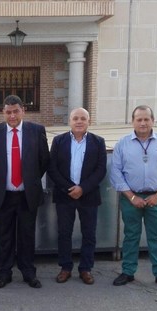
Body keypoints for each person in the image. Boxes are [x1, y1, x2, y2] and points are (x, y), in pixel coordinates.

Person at [109, 105, 157, 290]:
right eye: (139, 119)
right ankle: (128, 272)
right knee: (131, 235)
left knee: (156, 236)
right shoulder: (122, 144)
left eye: (146, 119)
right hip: (130, 198)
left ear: (153, 121)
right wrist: (132, 197)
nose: (142, 123)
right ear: (133, 121)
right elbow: (116, 173)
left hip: (156, 198)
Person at [0, 95, 50, 289]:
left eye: (15, 111)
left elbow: (44, 160)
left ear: (23, 111)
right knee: (3, 236)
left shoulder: (36, 131)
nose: (12, 116)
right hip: (3, 195)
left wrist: (29, 179)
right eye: (8, 112)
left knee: (27, 235)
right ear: (3, 113)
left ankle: (28, 272)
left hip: (26, 195)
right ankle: (5, 273)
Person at [47, 108, 107, 285]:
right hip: (65, 195)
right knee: (64, 233)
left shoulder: (98, 142)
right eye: (75, 118)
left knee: (89, 233)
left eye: (83, 118)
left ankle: (86, 268)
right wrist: (69, 188)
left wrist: (83, 188)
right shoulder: (59, 141)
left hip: (89, 195)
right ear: (70, 121)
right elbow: (52, 168)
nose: (79, 121)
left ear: (89, 121)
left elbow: (101, 169)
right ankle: (65, 267)